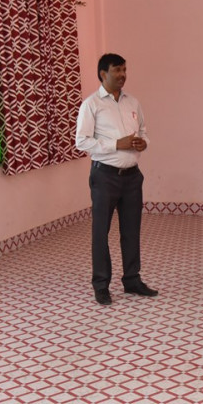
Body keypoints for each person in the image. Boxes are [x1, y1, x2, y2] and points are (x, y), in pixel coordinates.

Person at [75, 53, 157, 306]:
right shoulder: (91, 105)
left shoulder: (133, 102)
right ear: (103, 74)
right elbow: (82, 142)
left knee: (131, 231)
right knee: (101, 232)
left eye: (124, 70)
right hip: (104, 177)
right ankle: (101, 285)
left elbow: (143, 132)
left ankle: (132, 279)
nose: (122, 75)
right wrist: (115, 144)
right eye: (117, 70)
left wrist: (143, 143)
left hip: (132, 177)